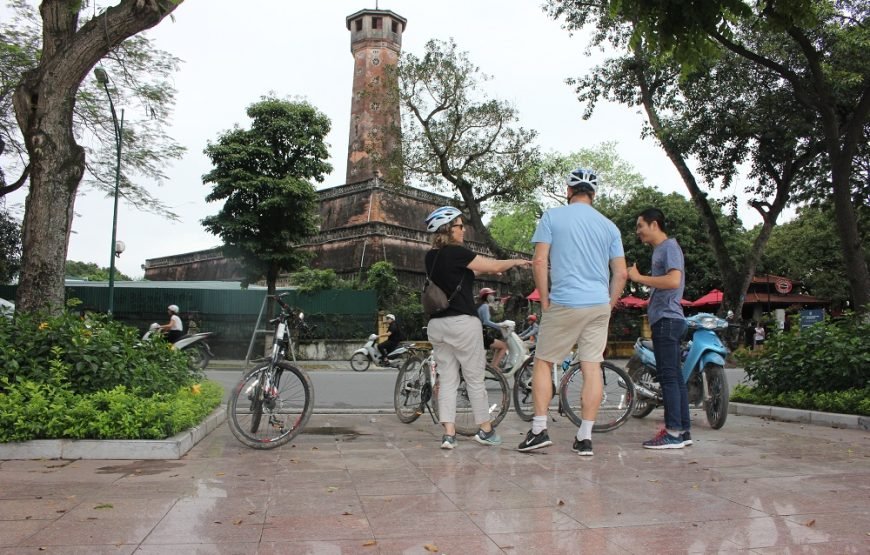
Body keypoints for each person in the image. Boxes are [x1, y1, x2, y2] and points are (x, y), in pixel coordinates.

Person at [517, 168, 627, 456]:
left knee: (543, 361)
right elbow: (622, 273)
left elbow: (539, 262)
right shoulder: (609, 227)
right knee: (592, 367)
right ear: (594, 194)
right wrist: (609, 304)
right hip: (598, 304)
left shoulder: (552, 217)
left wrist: (544, 300)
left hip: (565, 301)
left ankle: (539, 430)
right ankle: (585, 437)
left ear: (568, 190)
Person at [424, 206, 532, 449]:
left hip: (437, 326)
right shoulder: (456, 252)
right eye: (459, 225)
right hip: (462, 323)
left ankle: (449, 435)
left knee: (449, 380)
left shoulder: (430, 256)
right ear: (448, 229)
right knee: (474, 380)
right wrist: (516, 261)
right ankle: (485, 429)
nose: (463, 230)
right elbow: (491, 267)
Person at [628, 207, 690, 449]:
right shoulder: (660, 250)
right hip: (666, 319)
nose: (638, 231)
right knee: (675, 377)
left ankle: (673, 433)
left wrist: (639, 278)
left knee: (668, 378)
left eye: (640, 225)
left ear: (654, 224)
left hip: (667, 320)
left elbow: (673, 280)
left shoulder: (669, 247)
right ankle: (683, 431)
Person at [476, 287, 508, 369]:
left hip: (478, 333)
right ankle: (494, 367)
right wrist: (499, 327)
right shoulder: (485, 306)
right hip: (483, 334)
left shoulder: (479, 305)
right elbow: (486, 321)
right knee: (504, 346)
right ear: (486, 296)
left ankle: (493, 367)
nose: (493, 296)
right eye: (491, 294)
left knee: (498, 347)